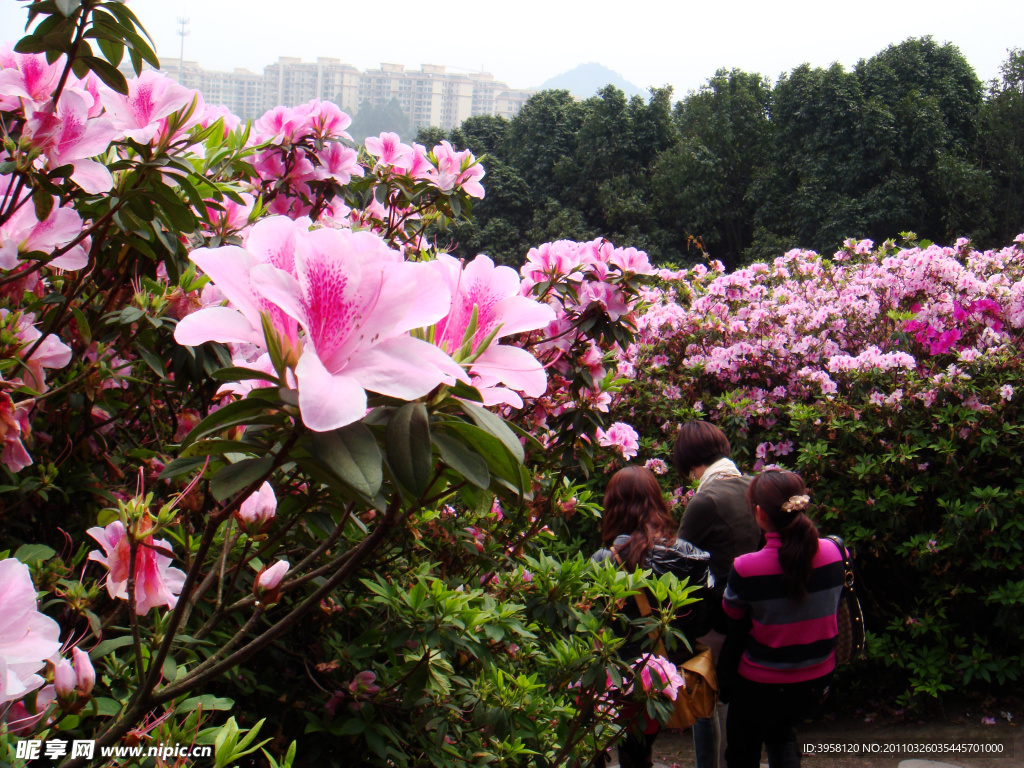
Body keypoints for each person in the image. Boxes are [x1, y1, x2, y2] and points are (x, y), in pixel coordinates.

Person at [592, 465, 716, 768]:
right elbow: (703, 621)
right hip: (666, 678)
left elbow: (591, 622)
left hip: (618, 680)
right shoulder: (692, 555)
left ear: (614, 507)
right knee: (639, 754)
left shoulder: (605, 561)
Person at [720, 470, 844, 768]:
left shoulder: (747, 567)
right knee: (781, 727)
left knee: (741, 750)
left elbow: (730, 614)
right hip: (816, 681)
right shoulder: (836, 552)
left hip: (761, 687)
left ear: (760, 514)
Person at [673, 421, 762, 768]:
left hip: (719, 618)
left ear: (687, 460)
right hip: (759, 614)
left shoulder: (706, 500)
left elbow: (680, 562)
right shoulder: (756, 487)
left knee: (706, 696)